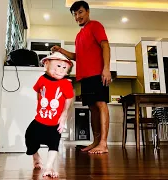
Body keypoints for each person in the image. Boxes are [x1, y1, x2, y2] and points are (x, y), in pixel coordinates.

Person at [51, 0, 111, 154]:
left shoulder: (95, 26)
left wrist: (106, 69)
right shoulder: (79, 36)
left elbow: (105, 45)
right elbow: (78, 56)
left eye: (80, 12)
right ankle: (96, 142)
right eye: (75, 14)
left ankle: (103, 143)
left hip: (98, 73)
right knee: (92, 108)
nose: (78, 16)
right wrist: (61, 50)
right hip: (85, 77)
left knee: (100, 104)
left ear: (88, 12)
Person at [25, 52, 74, 178]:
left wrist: (64, 115)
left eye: (64, 68)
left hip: (54, 123)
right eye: (58, 66)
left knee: (54, 143)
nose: (61, 70)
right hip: (39, 119)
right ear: (46, 64)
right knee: (29, 136)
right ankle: (35, 157)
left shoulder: (66, 83)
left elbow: (69, 98)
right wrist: (40, 103)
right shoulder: (41, 79)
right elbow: (38, 91)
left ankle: (49, 166)